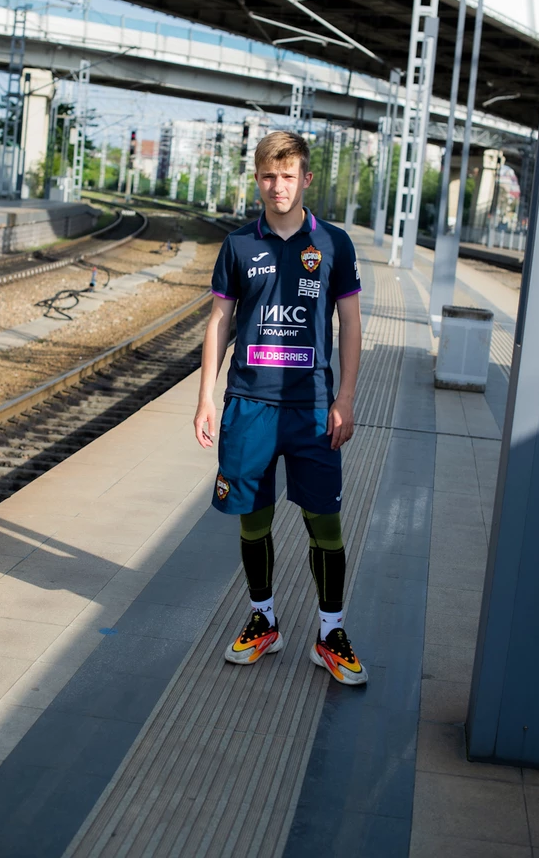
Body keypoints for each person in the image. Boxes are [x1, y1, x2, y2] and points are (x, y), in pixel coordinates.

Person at [193, 130, 367, 685]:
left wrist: (345, 397)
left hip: (313, 406)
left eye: (288, 176)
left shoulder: (334, 243)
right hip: (249, 403)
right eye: (269, 176)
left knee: (325, 522)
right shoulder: (238, 244)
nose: (278, 186)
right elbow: (220, 321)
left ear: (305, 179)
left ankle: (331, 633)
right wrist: (206, 397)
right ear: (258, 179)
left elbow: (351, 323)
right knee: (254, 517)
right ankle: (263, 620)